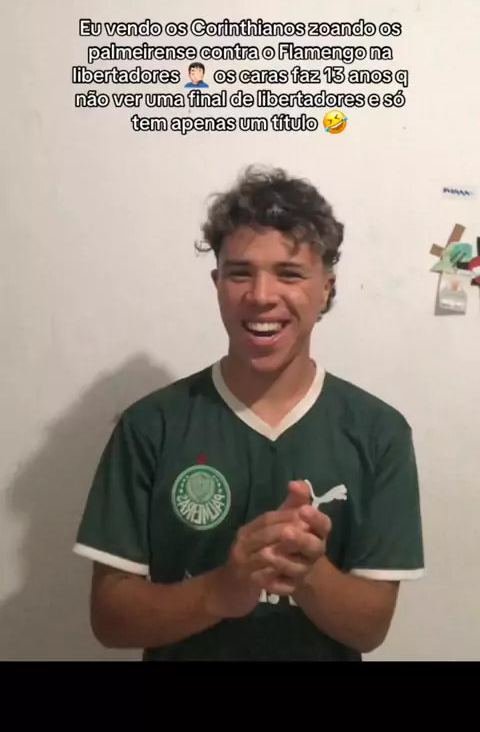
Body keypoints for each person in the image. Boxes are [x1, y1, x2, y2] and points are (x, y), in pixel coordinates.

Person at [73, 165, 425, 661]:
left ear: (326, 288)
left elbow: (369, 630)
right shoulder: (151, 426)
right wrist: (221, 591)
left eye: (289, 274)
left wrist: (306, 571)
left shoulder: (379, 433)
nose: (261, 296)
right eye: (240, 273)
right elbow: (111, 620)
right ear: (217, 282)